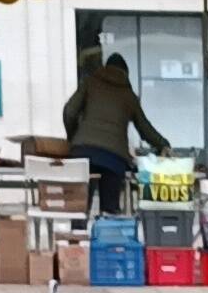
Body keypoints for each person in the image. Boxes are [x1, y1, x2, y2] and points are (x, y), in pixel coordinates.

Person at [62, 47, 169, 214]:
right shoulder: (129, 96)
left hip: (83, 152)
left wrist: (73, 137)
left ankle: (78, 229)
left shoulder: (90, 83)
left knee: (79, 207)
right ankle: (108, 223)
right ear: (126, 74)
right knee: (109, 211)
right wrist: (163, 144)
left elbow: (69, 111)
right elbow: (145, 128)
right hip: (113, 158)